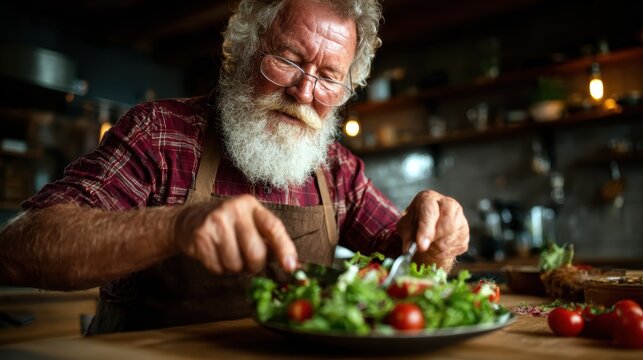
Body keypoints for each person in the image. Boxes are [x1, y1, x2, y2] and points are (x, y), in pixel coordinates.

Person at [0, 0, 469, 333]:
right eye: (288, 59)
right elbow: (20, 246)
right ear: (244, 49)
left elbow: (404, 263)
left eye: (328, 78)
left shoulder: (338, 169)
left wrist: (437, 239)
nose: (304, 93)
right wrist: (176, 226)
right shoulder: (161, 133)